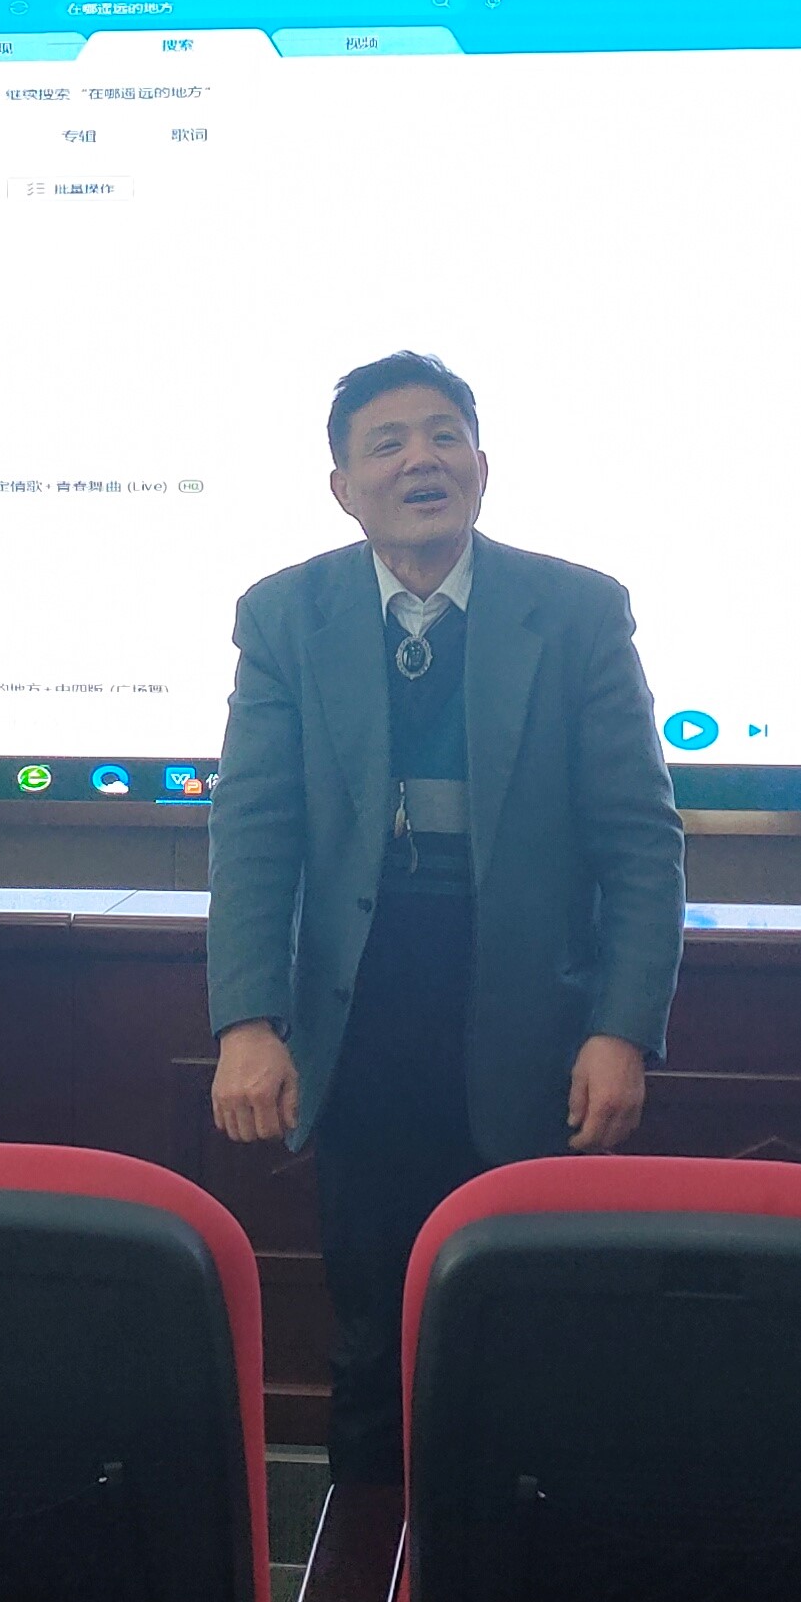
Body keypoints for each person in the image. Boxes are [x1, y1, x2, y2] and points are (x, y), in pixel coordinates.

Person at [207, 351, 687, 1490]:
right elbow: (255, 829)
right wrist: (246, 1021)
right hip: (362, 1011)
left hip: (529, 1018)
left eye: (443, 435)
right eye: (388, 442)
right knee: (372, 1331)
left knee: (528, 1327)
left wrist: (622, 1029)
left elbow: (638, 840)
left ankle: (520, 1576)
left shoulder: (575, 610)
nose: (421, 459)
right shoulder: (287, 615)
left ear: (481, 464)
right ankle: (370, 1574)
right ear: (343, 486)